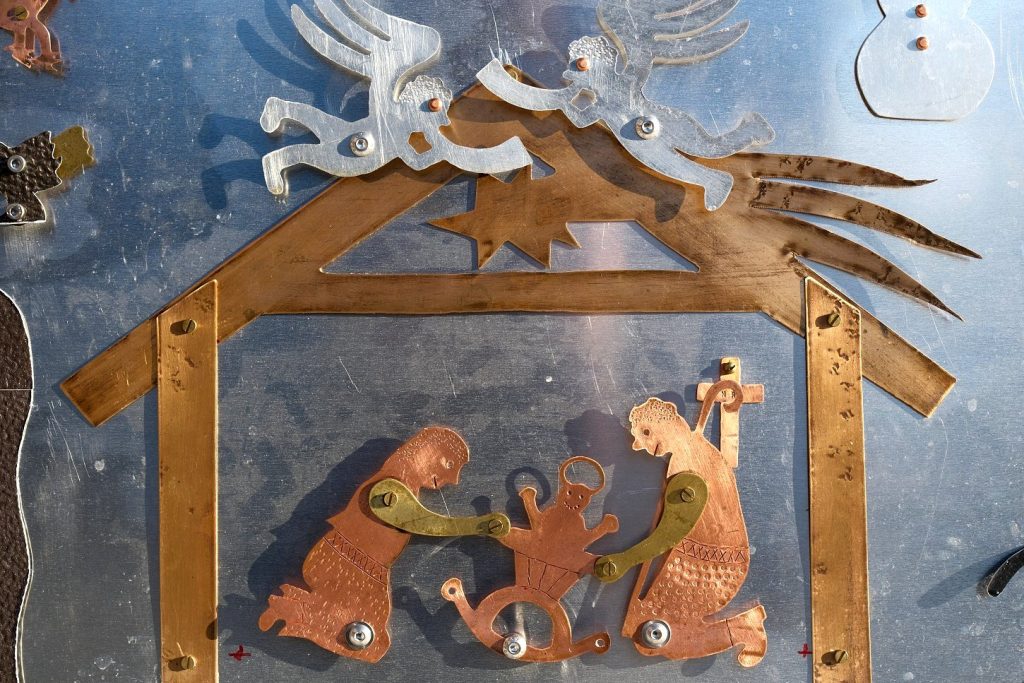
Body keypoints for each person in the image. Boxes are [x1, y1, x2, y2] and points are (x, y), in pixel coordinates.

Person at [258, 427, 469, 662]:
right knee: (371, 639)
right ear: (427, 451)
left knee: (373, 635)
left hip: (361, 566)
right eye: (450, 464)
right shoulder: (394, 482)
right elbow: (420, 520)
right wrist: (479, 525)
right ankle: (296, 612)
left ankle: (298, 609)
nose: (454, 479)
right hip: (345, 563)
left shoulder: (405, 481)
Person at [623, 382, 767, 667]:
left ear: (664, 424)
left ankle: (745, 628)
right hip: (696, 557)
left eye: (645, 433)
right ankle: (744, 626)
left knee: (659, 631)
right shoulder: (690, 451)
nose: (639, 445)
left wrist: (625, 559)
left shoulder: (685, 461)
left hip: (711, 564)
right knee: (652, 624)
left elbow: (668, 533)